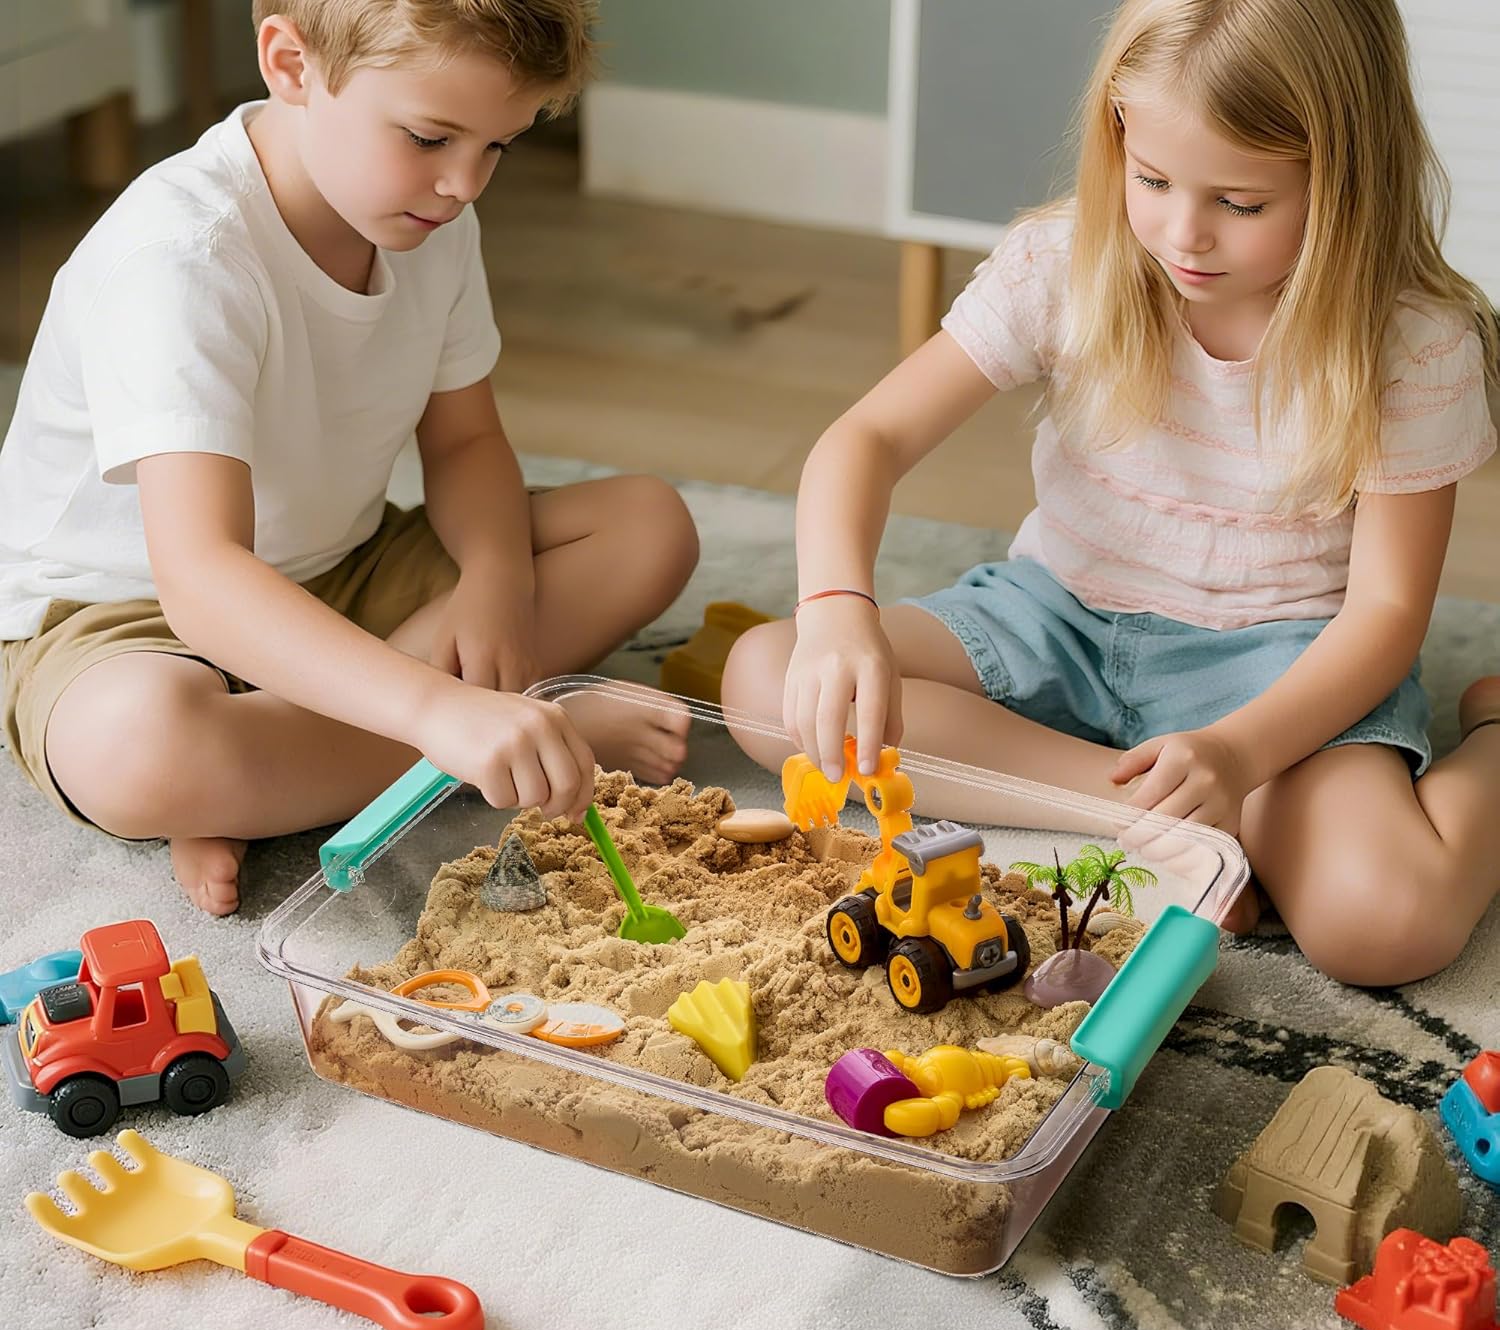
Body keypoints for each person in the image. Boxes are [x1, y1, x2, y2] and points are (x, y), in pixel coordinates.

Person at [722, 0, 1500, 987]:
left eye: (1242, 203)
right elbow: (864, 439)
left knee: (1387, 926)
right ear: (1117, 137)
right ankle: (1142, 810)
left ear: (1346, 177)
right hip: (1060, 617)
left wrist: (1236, 751)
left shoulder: (1414, 341)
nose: (1185, 233)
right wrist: (838, 611)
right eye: (1153, 178)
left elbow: (1387, 613)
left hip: (1278, 666)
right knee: (769, 677)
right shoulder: (1065, 262)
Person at [0, 0, 699, 916]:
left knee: (648, 525)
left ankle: (279, 778)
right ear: (290, 64)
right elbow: (203, 579)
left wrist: (496, 578)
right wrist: (435, 709)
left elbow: (465, 439)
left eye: (497, 147)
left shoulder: (429, 216)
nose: (463, 184)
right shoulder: (181, 256)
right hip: (130, 613)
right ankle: (500, 734)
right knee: (140, 751)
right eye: (428, 137)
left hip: (341, 564)